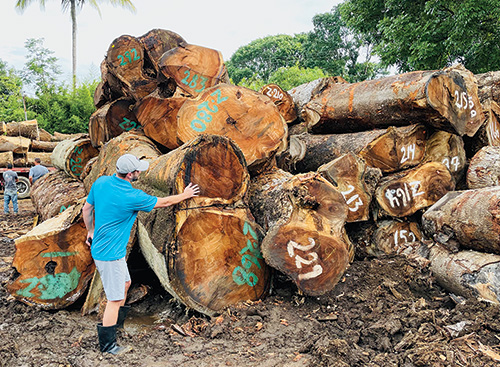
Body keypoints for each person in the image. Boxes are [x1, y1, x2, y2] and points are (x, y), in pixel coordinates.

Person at [82, 153, 200, 355]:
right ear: (130, 174)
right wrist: (185, 195)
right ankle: (108, 345)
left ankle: (116, 326)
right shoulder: (131, 196)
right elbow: (163, 203)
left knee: (125, 284)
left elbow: (87, 209)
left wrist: (90, 230)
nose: (140, 173)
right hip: (109, 254)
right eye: (138, 171)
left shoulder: (101, 183)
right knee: (115, 299)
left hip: (109, 250)